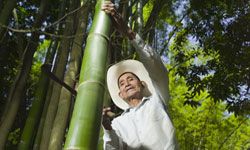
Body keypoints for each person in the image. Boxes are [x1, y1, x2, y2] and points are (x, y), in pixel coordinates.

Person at [102, 1, 178, 150]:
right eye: (122, 83)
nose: (127, 83)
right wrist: (106, 127)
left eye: (131, 79)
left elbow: (155, 66)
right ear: (120, 94)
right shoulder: (118, 123)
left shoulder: (158, 99)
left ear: (142, 83)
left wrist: (129, 33)